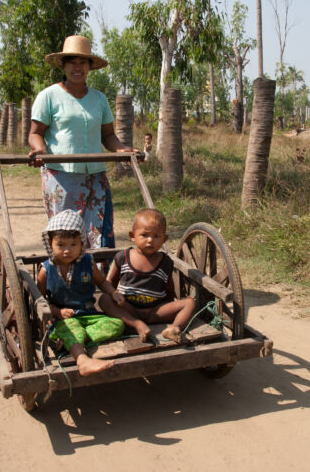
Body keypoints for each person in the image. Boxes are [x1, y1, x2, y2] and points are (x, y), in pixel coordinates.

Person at [28, 35, 135, 249]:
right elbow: (35, 132)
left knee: (100, 233)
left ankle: (99, 279)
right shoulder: (48, 96)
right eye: (72, 63)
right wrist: (40, 150)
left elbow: (108, 136)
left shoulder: (99, 99)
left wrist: (123, 149)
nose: (78, 68)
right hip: (61, 177)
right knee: (66, 235)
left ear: (89, 67)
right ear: (64, 66)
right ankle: (66, 279)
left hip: (96, 176)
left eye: (82, 63)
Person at [35, 209, 125, 376]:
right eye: (61, 245)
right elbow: (39, 300)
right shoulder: (46, 270)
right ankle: (82, 360)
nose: (67, 250)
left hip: (88, 315)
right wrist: (57, 312)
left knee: (117, 325)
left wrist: (113, 293)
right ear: (50, 243)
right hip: (62, 321)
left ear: (82, 244)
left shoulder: (87, 263)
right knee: (72, 328)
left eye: (73, 245)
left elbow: (102, 282)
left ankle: (73, 341)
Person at [105, 208, 196, 343]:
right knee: (104, 299)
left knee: (190, 303)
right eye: (144, 235)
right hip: (130, 309)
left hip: (155, 311)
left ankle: (174, 329)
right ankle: (137, 324)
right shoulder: (123, 257)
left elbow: (169, 288)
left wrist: (169, 308)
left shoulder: (165, 262)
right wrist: (114, 295)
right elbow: (109, 283)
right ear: (132, 236)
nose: (150, 240)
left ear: (164, 239)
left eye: (156, 236)